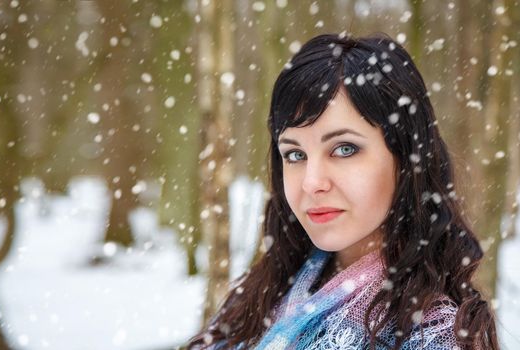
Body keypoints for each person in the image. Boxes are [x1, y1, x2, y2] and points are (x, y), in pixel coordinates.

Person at [187, 33, 499, 349]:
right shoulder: (266, 292)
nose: (312, 181)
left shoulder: (432, 336)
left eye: (344, 149)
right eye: (295, 154)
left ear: (406, 156)